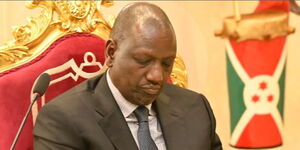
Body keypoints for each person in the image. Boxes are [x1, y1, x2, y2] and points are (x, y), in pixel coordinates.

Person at [33, 2, 223, 150]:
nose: (157, 76)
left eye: (166, 64)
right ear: (111, 53)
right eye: (143, 60)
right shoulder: (63, 119)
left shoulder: (195, 108)